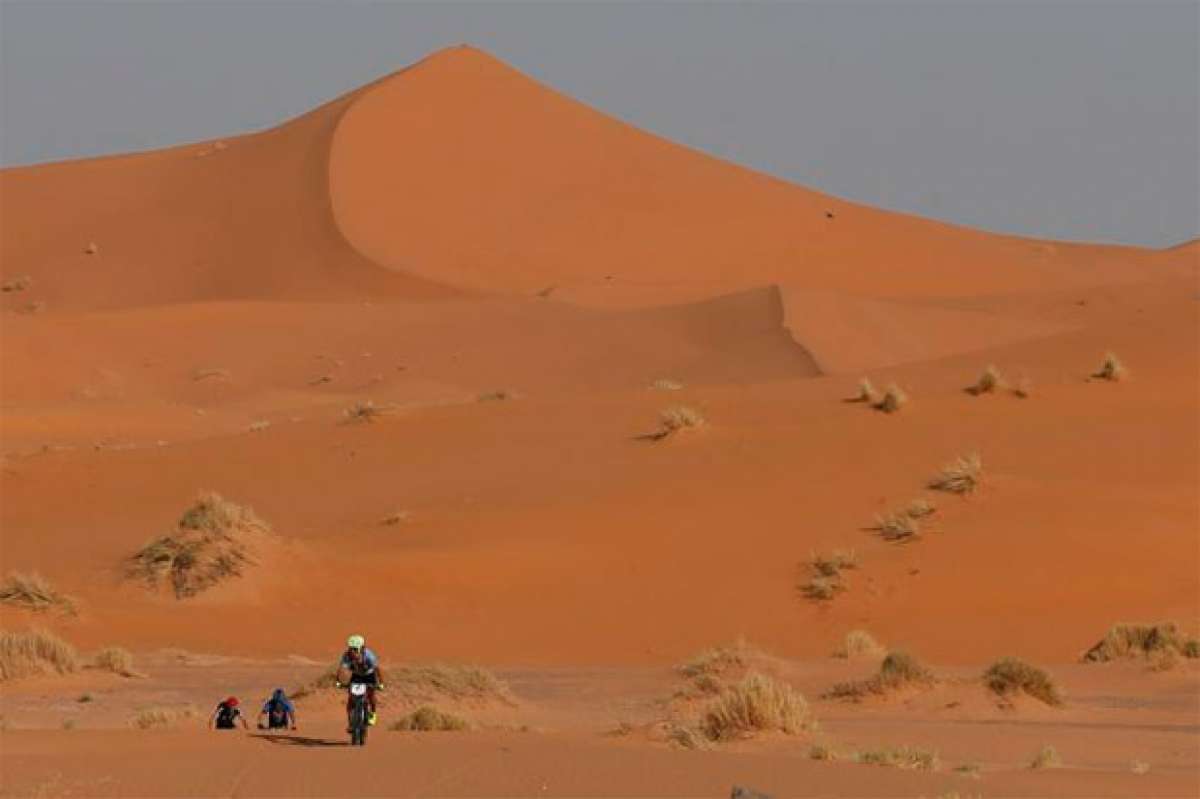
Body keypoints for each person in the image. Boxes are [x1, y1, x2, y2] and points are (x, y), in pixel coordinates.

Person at [335, 634, 385, 727]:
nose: (353, 651)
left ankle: (373, 713)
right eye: (351, 648)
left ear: (362, 648)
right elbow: (341, 669)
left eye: (355, 648)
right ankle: (351, 722)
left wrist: (381, 683)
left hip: (369, 675)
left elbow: (377, 669)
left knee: (371, 695)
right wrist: (338, 681)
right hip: (357, 675)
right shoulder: (347, 655)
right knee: (351, 698)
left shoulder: (369, 655)